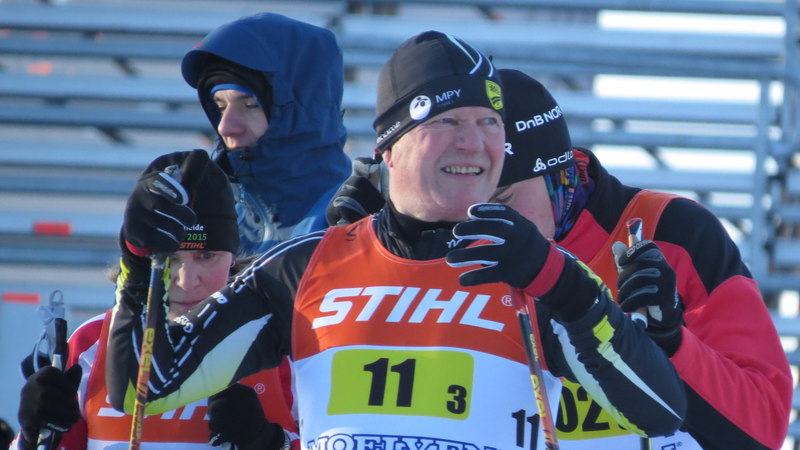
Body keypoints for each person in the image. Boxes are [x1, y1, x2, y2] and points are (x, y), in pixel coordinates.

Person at [104, 31, 687, 449]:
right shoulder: (305, 265)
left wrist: (563, 284)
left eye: (489, 123)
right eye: (446, 122)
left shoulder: (537, 268)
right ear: (389, 147)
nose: (474, 143)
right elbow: (142, 389)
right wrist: (138, 264)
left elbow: (660, 412)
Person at [325, 68, 794, 449]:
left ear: (558, 179)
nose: (473, 213)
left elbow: (763, 427)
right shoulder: (438, 240)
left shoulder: (669, 231)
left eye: (499, 196)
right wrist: (377, 248)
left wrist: (669, 344)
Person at [11, 150, 296, 450]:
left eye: (207, 256)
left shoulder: (279, 341)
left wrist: (273, 443)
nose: (186, 280)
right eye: (169, 259)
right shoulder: (93, 341)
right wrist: (32, 436)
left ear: (233, 257)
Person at [180, 12, 351, 257]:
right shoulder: (204, 216)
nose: (225, 127)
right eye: (220, 107)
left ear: (300, 111)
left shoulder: (359, 224)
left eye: (249, 105)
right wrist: (140, 256)